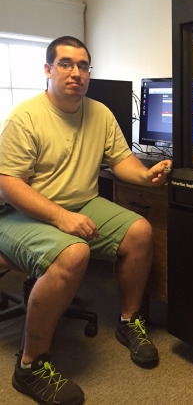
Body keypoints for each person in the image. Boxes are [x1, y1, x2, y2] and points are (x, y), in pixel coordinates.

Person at [0, 36, 171, 404]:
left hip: (80, 203)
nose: (76, 72)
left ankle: (129, 322)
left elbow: (120, 159)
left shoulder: (100, 113)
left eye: (83, 66)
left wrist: (145, 176)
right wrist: (61, 217)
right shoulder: (26, 116)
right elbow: (8, 184)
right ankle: (29, 366)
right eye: (65, 64)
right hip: (19, 213)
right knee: (74, 253)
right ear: (48, 70)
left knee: (139, 231)